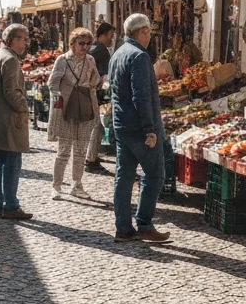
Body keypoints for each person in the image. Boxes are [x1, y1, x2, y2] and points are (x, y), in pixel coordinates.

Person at [109, 13, 170, 244]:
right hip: (139, 128)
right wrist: (150, 129)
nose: (150, 36)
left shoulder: (118, 54)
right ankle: (144, 224)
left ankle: (123, 228)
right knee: (155, 175)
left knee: (124, 177)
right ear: (143, 31)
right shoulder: (139, 56)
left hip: (122, 125)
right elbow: (141, 96)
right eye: (149, 32)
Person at [0, 23, 31, 220]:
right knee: (11, 163)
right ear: (12, 40)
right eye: (23, 39)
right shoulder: (9, 60)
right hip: (7, 119)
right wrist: (23, 108)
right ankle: (10, 205)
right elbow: (12, 92)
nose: (26, 43)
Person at [48, 27, 101, 201]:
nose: (85, 47)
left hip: (85, 108)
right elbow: (53, 82)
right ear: (72, 43)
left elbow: (96, 78)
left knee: (80, 151)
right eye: (81, 43)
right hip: (67, 109)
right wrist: (59, 99)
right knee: (63, 150)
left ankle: (76, 185)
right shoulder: (62, 60)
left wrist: (93, 84)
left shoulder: (90, 60)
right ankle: (56, 186)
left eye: (88, 44)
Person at [86, 22, 114, 174]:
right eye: (110, 35)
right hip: (94, 92)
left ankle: (92, 156)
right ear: (103, 35)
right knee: (97, 127)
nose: (112, 38)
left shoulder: (97, 48)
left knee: (97, 127)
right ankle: (90, 160)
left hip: (95, 91)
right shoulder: (98, 49)